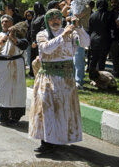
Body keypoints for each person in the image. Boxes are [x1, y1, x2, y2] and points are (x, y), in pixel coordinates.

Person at [28, 9, 90, 153]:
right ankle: (46, 142)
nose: (55, 21)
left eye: (58, 18)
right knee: (46, 109)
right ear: (47, 21)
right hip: (48, 77)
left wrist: (79, 27)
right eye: (51, 19)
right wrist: (63, 35)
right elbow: (46, 49)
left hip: (66, 78)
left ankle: (60, 139)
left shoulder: (71, 32)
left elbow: (86, 43)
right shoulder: (42, 34)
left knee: (63, 109)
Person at [0, 15, 28, 125]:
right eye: (3, 21)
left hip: (15, 65)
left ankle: (15, 117)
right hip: (0, 66)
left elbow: (24, 45)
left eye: (7, 21)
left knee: (16, 91)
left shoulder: (20, 34)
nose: (5, 23)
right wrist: (0, 42)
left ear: (12, 23)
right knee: (1, 91)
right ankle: (2, 116)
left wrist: (12, 38)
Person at [88, 0, 113, 72]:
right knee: (103, 58)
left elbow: (90, 29)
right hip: (105, 38)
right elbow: (113, 27)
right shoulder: (109, 14)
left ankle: (92, 74)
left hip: (94, 38)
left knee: (94, 58)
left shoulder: (92, 15)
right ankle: (101, 74)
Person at [29, 2, 46, 78]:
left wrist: (36, 41)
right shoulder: (35, 17)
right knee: (33, 58)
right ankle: (33, 73)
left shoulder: (43, 17)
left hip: (38, 41)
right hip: (32, 41)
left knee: (38, 58)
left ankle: (40, 74)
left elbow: (42, 29)